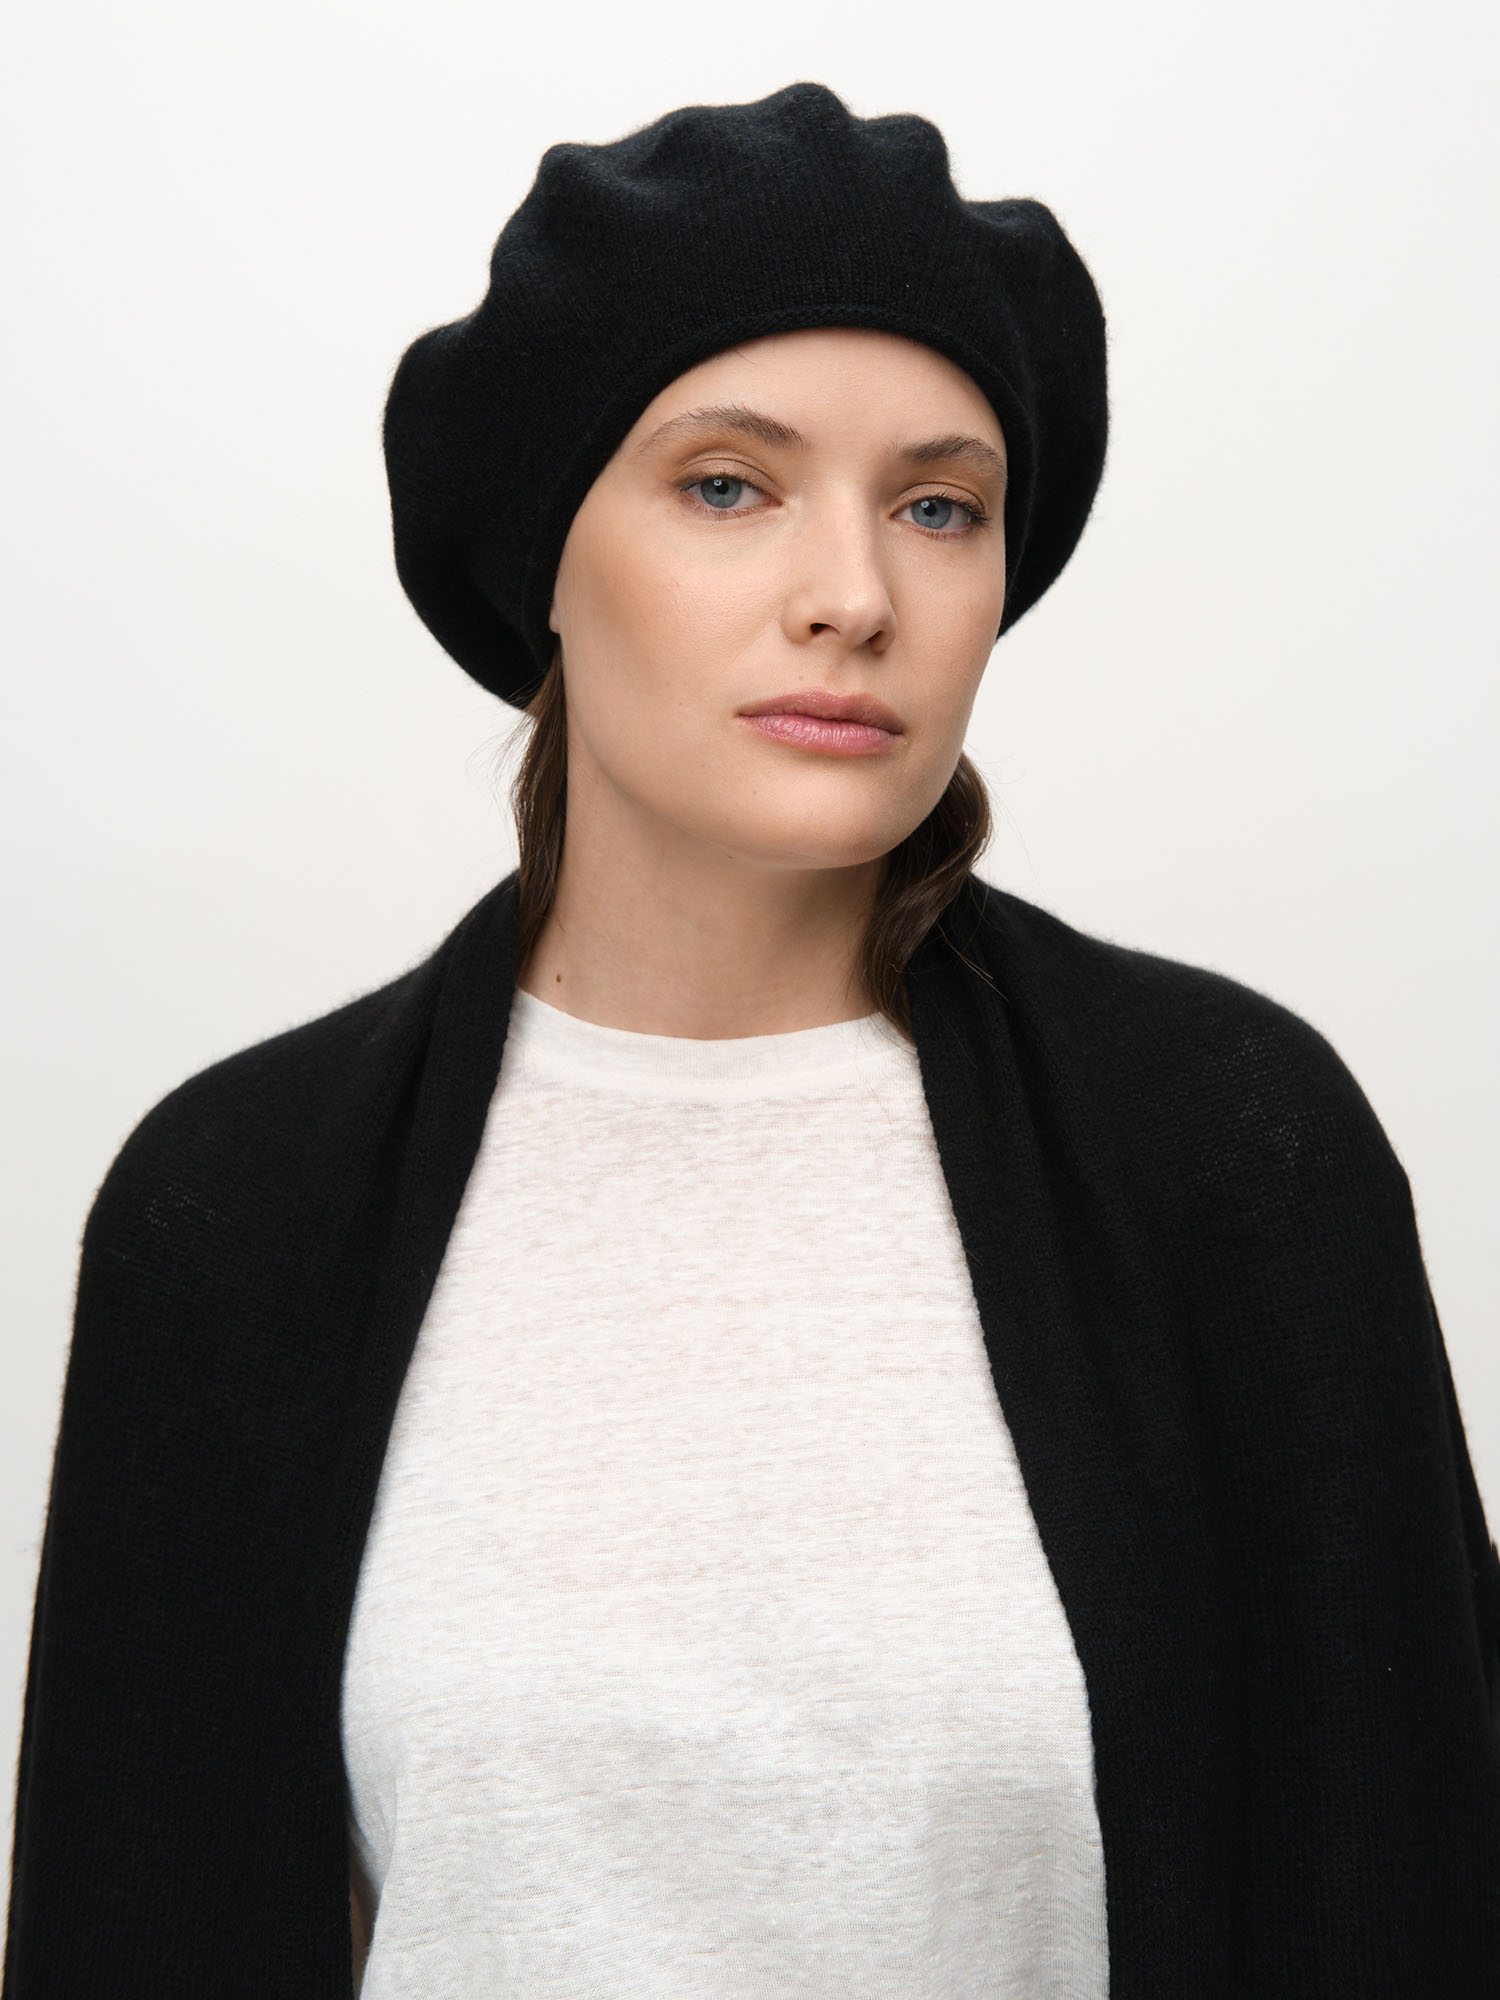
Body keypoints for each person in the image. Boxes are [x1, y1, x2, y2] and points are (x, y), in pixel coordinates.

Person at [5, 80, 1498, 2000]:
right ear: (546, 554)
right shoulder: (241, 1209)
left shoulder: (1232, 1153)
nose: (855, 597)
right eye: (727, 484)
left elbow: (1413, 1898)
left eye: (940, 507)